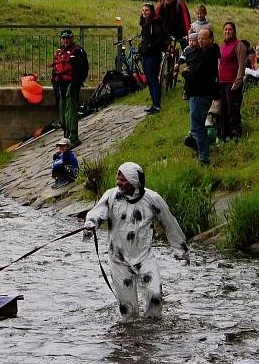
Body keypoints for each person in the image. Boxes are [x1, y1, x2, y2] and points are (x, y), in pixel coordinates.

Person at [83, 162, 189, 321]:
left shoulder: (153, 199)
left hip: (144, 256)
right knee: (128, 310)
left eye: (123, 180)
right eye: (118, 178)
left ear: (135, 181)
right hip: (118, 260)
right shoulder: (111, 196)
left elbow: (170, 224)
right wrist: (90, 225)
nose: (119, 182)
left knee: (155, 295)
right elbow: (97, 214)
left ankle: (153, 329)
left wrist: (181, 250)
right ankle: (131, 338)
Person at [182, 28, 220, 165]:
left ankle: (203, 156)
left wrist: (185, 73)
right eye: (199, 38)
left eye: (203, 38)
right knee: (197, 125)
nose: (200, 40)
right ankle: (198, 146)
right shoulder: (203, 52)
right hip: (199, 93)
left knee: (197, 127)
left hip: (200, 93)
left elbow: (195, 73)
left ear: (211, 39)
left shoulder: (208, 55)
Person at [50, 29, 89, 147]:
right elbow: (55, 69)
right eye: (64, 38)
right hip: (59, 85)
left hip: (71, 85)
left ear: (72, 38)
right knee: (62, 112)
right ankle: (66, 135)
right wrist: (54, 82)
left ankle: (73, 137)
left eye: (68, 38)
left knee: (70, 111)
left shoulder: (78, 51)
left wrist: (75, 83)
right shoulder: (59, 52)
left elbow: (82, 70)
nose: (66, 40)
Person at [217, 21, 246, 140]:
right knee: (222, 110)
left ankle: (235, 133)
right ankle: (225, 133)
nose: (227, 31)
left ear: (234, 32)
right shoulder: (222, 46)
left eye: (230, 29)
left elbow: (241, 65)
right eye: (225, 29)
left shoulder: (239, 45)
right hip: (221, 82)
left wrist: (238, 81)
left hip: (232, 82)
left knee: (232, 109)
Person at [139, 3, 166, 114]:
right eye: (143, 10)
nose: (144, 12)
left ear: (151, 11)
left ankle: (157, 104)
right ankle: (153, 103)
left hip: (153, 54)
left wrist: (150, 47)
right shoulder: (145, 23)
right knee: (149, 80)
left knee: (153, 79)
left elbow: (159, 39)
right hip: (145, 54)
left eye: (147, 10)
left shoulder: (155, 23)